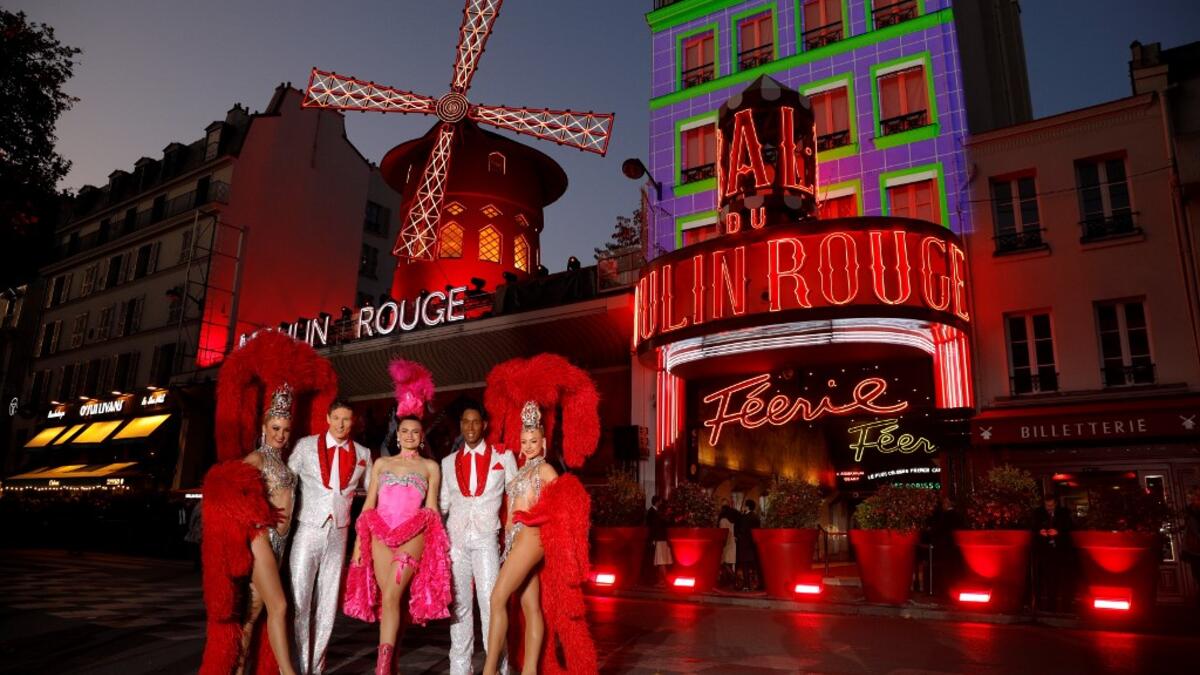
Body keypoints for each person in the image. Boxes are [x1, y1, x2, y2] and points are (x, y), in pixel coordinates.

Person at [201, 330, 336, 675]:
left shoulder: (286, 461)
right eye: (276, 428)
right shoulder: (257, 459)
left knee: (253, 613)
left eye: (286, 429)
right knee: (279, 605)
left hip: (282, 543)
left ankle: (237, 667)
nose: (281, 434)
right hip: (262, 538)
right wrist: (256, 516)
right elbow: (224, 483)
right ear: (265, 427)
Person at [346, 412, 451, 674]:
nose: (409, 436)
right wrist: (360, 542)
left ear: (422, 437)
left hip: (413, 534)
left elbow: (432, 508)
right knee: (391, 601)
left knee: (393, 594)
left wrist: (436, 550)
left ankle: (381, 669)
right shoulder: (381, 464)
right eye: (405, 431)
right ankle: (391, 665)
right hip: (380, 533)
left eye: (415, 432)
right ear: (398, 434)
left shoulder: (430, 467)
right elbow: (369, 505)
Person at [289, 399, 372, 675]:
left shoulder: (363, 453)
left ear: (353, 422)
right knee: (300, 600)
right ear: (327, 418)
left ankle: (316, 667)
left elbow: (374, 493)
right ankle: (298, 665)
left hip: (339, 534)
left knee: (327, 605)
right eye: (336, 418)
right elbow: (285, 481)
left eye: (346, 419)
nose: (340, 424)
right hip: (307, 529)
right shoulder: (305, 446)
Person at [440, 403, 518, 675]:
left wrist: (513, 529)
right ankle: (459, 670)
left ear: (484, 424)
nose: (470, 427)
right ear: (460, 425)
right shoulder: (447, 463)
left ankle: (498, 668)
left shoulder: (503, 456)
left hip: (486, 538)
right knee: (459, 607)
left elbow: (517, 494)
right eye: (465, 421)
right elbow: (442, 505)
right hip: (456, 541)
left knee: (491, 603)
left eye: (475, 422)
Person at [1032, 493, 1074, 613]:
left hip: (1061, 551)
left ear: (1055, 504)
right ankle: (1051, 605)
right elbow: (1033, 527)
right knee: (1049, 579)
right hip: (1045, 551)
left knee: (1064, 578)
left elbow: (1069, 526)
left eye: (1051, 505)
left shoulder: (1064, 513)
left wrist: (1058, 532)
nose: (1049, 508)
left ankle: (1066, 606)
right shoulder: (1038, 513)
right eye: (1047, 505)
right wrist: (1040, 532)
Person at [735, 499, 761, 591]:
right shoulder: (756, 517)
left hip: (745, 544)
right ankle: (760, 584)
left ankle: (746, 585)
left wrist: (738, 537)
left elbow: (742, 530)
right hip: (753, 544)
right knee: (756, 566)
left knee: (745, 565)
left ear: (747, 506)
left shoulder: (744, 517)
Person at [647, 495, 672, 586]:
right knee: (661, 562)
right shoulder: (661, 517)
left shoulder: (660, 517)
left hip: (660, 540)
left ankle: (663, 581)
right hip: (662, 540)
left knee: (661, 562)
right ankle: (663, 581)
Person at [1182, 488, 1200, 606]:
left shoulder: (1191, 512)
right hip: (1195, 549)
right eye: (1191, 498)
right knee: (1197, 572)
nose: (1193, 500)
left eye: (1195, 498)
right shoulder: (1190, 512)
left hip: (1194, 549)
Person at [718, 499, 739, 588]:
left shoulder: (723, 520)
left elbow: (722, 533)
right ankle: (729, 581)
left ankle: (734, 578)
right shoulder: (733, 520)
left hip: (726, 543)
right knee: (729, 563)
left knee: (724, 563)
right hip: (733, 543)